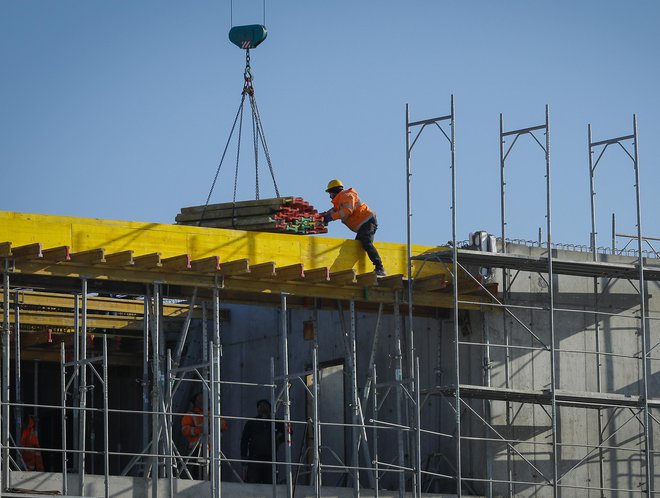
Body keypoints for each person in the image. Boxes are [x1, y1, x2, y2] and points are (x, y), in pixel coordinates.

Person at [321, 179, 386, 277]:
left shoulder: (347, 196)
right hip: (363, 225)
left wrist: (330, 218)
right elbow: (334, 211)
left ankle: (380, 268)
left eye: (330, 193)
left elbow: (347, 211)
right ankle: (352, 271)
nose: (330, 196)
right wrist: (323, 216)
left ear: (334, 191)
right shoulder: (340, 201)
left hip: (367, 222)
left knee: (366, 243)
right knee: (357, 246)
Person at [240, 399, 284, 484]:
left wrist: (279, 440)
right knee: (253, 481)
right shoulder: (252, 422)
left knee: (270, 481)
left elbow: (289, 432)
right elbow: (244, 439)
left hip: (270, 457)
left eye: (265, 405)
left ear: (270, 408)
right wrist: (243, 455)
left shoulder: (275, 422)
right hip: (255, 457)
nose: (263, 407)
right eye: (260, 405)